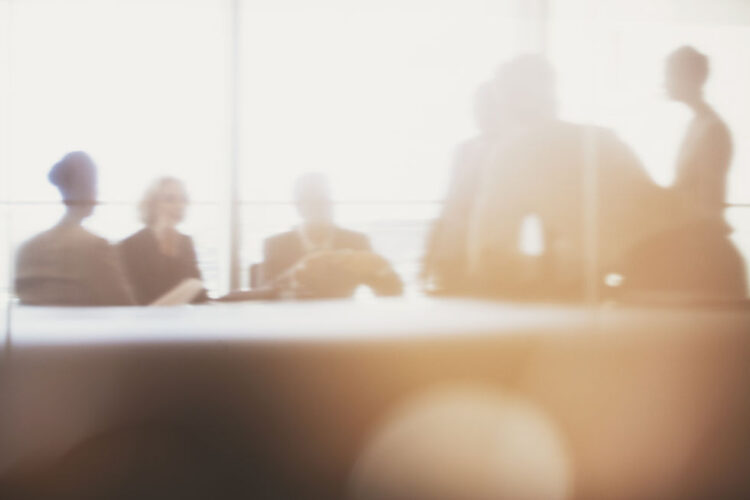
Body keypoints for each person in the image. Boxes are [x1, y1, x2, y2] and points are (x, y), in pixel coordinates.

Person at [466, 55, 683, 300]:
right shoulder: (601, 139)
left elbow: (489, 256)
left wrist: (544, 271)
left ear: (505, 103)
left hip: (660, 277)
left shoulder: (512, 154)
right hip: (704, 257)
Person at [14, 152, 135, 306]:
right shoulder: (95, 246)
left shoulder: (26, 248)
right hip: (88, 329)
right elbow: (125, 308)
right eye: (95, 185)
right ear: (89, 188)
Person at [260, 173, 402, 298]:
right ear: (298, 206)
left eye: (325, 199)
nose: (322, 207)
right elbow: (265, 295)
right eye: (313, 201)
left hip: (344, 323)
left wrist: (383, 269)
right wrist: (296, 273)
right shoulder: (276, 244)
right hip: (292, 323)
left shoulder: (356, 241)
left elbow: (393, 293)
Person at [666, 46, 732, 221]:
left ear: (687, 79)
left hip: (699, 236)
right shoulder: (696, 124)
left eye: (670, 75)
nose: (665, 82)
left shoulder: (713, 130)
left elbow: (709, 202)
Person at [118, 177, 207, 305]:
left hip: (182, 321)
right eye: (170, 200)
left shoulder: (185, 242)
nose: (179, 205)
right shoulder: (130, 245)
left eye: (182, 199)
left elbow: (200, 296)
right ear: (152, 204)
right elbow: (135, 299)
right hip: (144, 322)